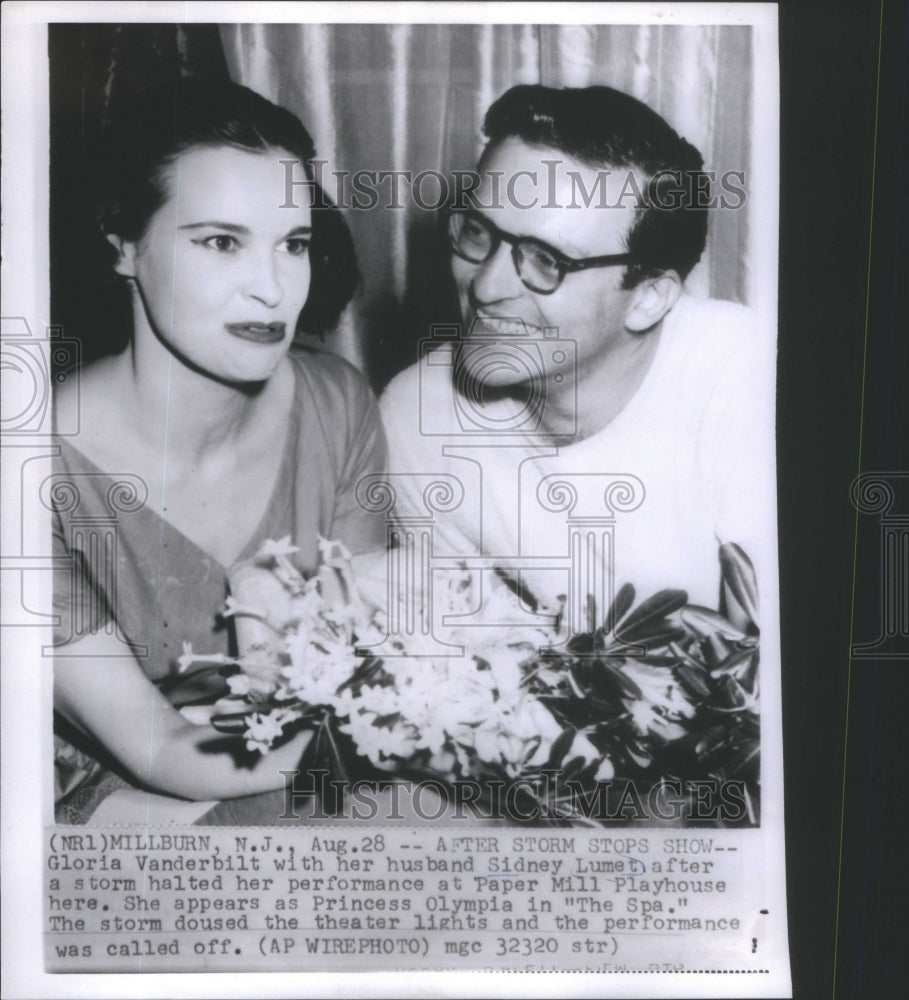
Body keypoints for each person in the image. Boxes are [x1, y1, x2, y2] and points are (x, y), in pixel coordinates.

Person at [52, 79, 386, 824]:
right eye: (221, 242)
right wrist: (418, 719)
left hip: (290, 759)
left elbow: (360, 645)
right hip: (117, 796)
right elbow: (163, 746)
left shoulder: (337, 402)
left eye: (293, 245)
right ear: (124, 246)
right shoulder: (28, 474)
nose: (272, 290)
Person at [379, 84, 775, 623]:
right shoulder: (415, 414)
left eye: (547, 260)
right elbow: (465, 672)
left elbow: (776, 668)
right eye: (479, 232)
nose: (487, 286)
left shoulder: (749, 374)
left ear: (649, 298)